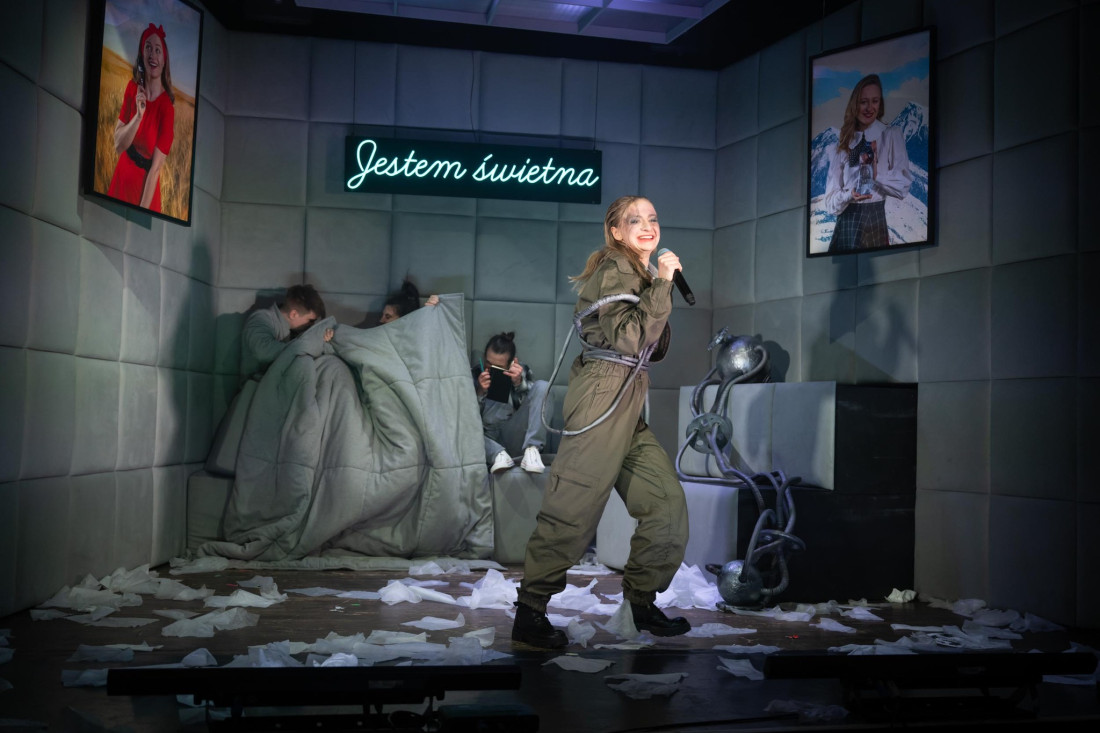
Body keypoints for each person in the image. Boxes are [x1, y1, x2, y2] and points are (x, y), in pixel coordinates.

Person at [511, 195, 690, 649]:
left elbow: (651, 345)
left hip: (627, 395)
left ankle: (640, 602)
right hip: (602, 393)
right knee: (572, 506)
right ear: (615, 231)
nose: (647, 225)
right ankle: (530, 612)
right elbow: (630, 338)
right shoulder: (616, 268)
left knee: (665, 504)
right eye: (635, 219)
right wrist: (663, 284)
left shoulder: (639, 272)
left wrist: (658, 284)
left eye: (653, 217)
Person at [822, 74, 913, 253]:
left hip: (875, 220)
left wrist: (876, 174)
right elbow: (830, 203)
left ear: (880, 104)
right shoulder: (843, 144)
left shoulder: (890, 135)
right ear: (854, 104)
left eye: (875, 101)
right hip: (847, 224)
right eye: (863, 102)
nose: (869, 108)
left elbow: (903, 187)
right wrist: (849, 195)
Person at [107, 23, 176, 212]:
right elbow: (118, 146)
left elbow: (156, 169)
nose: (152, 55)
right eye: (148, 48)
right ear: (141, 55)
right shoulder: (132, 89)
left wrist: (141, 212)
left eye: (157, 50)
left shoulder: (166, 108)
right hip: (121, 178)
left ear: (164, 60)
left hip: (145, 194)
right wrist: (138, 116)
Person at [473, 332, 552, 475]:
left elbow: (534, 409)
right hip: (486, 440)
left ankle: (532, 450)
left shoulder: (522, 371)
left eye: (498, 367)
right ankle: (498, 455)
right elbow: (468, 420)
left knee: (543, 387)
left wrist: (519, 384)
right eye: (488, 363)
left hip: (513, 432)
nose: (491, 370)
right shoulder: (474, 374)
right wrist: (479, 392)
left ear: (511, 362)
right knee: (461, 426)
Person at [241, 284, 333, 379]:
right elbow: (263, 351)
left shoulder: (293, 328)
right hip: (257, 383)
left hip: (280, 380)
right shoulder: (261, 319)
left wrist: (323, 339)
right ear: (294, 314)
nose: (311, 324)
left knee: (331, 366)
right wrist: (311, 345)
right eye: (310, 320)